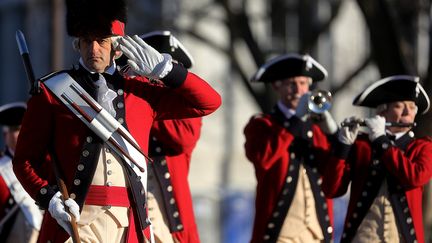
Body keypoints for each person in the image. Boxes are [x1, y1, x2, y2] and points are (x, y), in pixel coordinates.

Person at [12, 0, 221, 243]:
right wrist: (48, 197)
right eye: (87, 40)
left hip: (128, 224)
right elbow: (24, 160)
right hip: (74, 223)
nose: (94, 49)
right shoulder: (52, 92)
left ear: (117, 47)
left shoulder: (141, 91)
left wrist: (166, 70)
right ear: (77, 44)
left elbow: (209, 102)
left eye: (102, 40)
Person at [322, 75, 432, 243]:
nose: (407, 112)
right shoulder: (362, 146)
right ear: (382, 111)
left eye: (412, 107)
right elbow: (332, 190)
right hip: (363, 237)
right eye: (399, 106)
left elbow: (415, 177)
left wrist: (381, 140)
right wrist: (343, 147)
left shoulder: (422, 147)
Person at [119, 30, 203, 243]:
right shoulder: (131, 99)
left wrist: (147, 107)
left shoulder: (181, 106)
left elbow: (185, 137)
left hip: (171, 219)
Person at [244, 53, 338, 243]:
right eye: (291, 83)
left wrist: (335, 136)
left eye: (303, 83)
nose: (299, 90)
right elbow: (263, 159)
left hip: (316, 230)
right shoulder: (262, 124)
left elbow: (334, 172)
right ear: (276, 86)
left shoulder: (316, 127)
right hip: (280, 231)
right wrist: (296, 121)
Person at [0, 102, 43, 243]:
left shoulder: (43, 163)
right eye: (14, 129)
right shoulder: (1, 168)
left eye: (21, 129)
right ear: (5, 134)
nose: (18, 135)